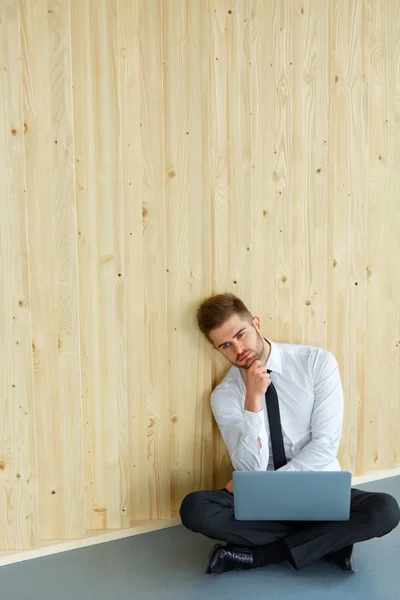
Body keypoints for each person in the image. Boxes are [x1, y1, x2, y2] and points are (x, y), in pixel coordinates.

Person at [179, 293, 400, 575]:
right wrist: (253, 401)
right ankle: (325, 542)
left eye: (241, 335)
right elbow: (249, 469)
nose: (239, 349)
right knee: (195, 508)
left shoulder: (317, 362)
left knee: (385, 509)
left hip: (319, 489)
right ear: (217, 350)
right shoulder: (224, 395)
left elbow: (324, 446)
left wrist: (270, 486)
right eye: (226, 345)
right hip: (262, 502)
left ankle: (258, 556)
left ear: (256, 323)